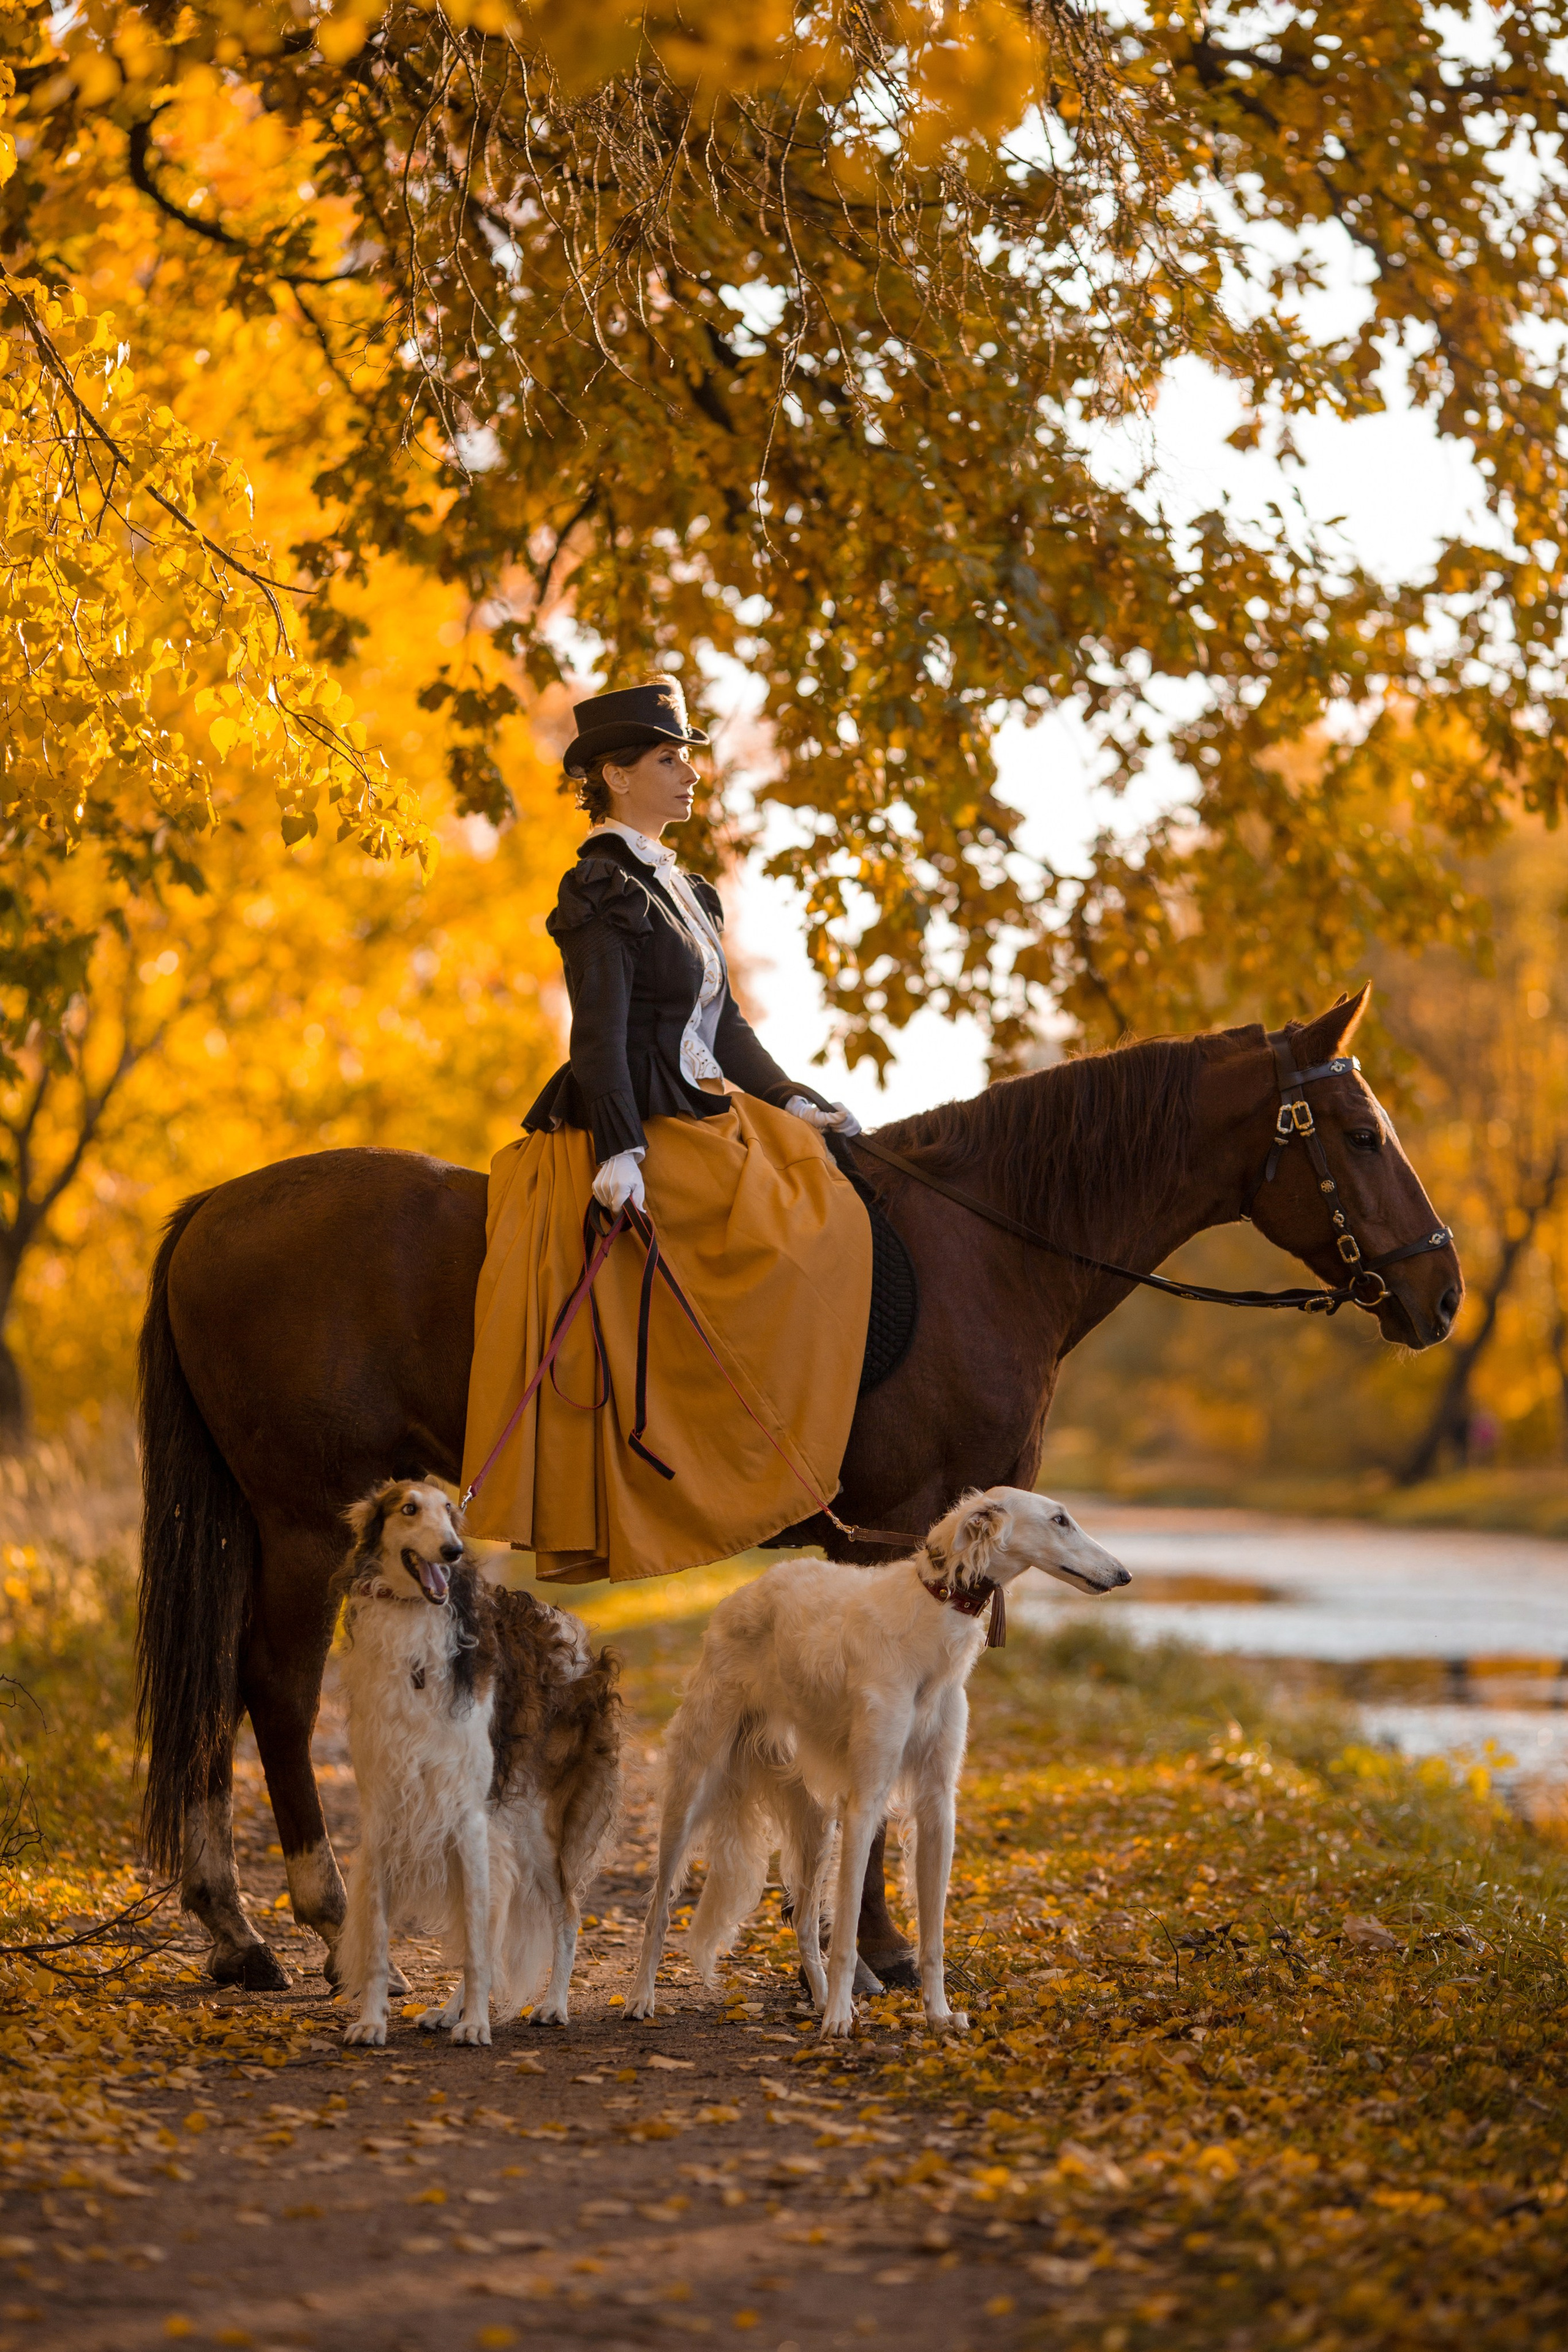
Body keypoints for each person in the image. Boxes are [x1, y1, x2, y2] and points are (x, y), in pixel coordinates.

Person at [460, 677, 875, 1585]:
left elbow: (725, 1028)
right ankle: (730, 1462)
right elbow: (597, 1035)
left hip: (705, 1103)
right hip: (642, 1118)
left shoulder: (684, 888)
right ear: (614, 774)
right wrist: (619, 1149)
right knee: (792, 1234)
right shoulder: (601, 886)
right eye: (667, 759)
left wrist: (792, 1098)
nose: (689, 774)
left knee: (827, 1190)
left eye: (685, 757)